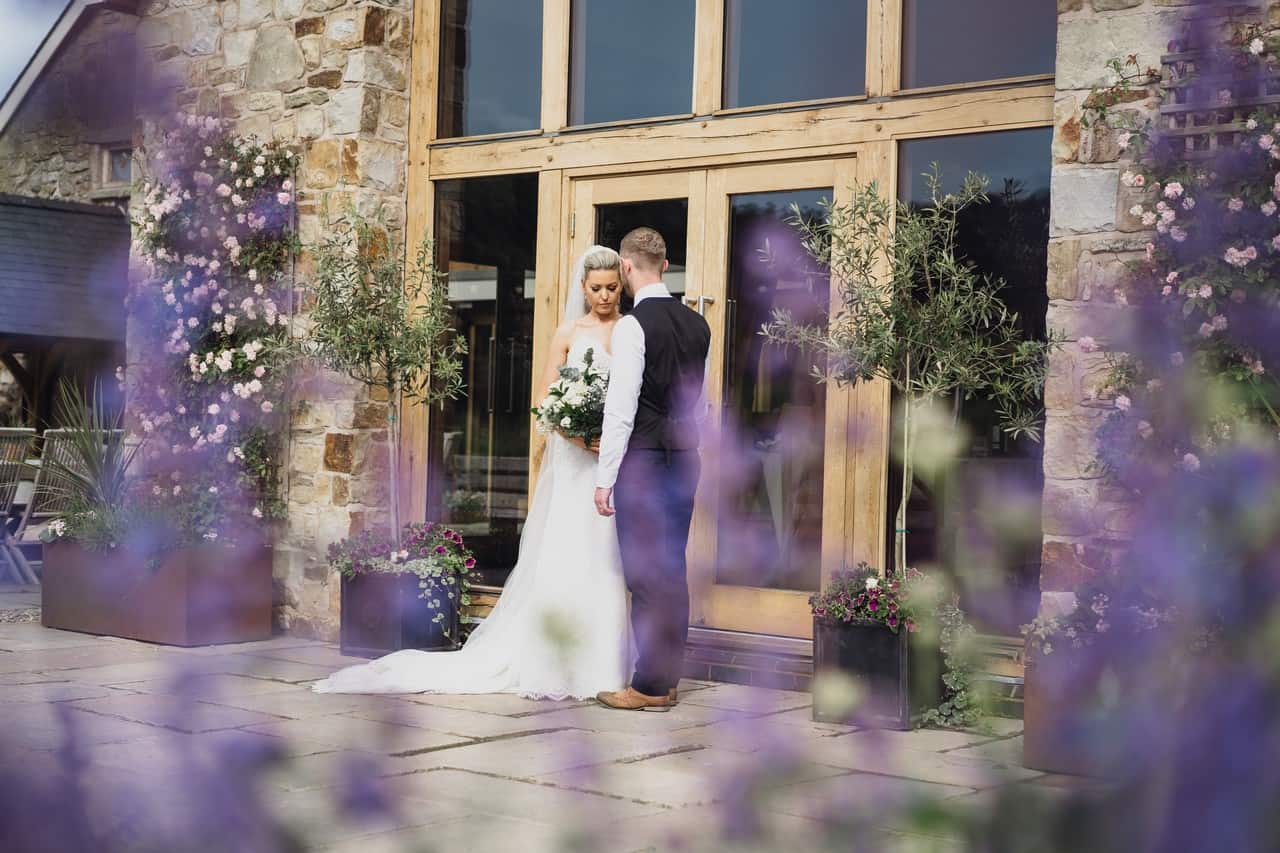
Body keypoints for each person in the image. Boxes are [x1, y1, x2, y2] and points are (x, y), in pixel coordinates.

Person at [313, 246, 632, 699]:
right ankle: (555, 663)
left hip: (608, 460)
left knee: (605, 558)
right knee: (568, 554)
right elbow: (544, 400)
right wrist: (578, 434)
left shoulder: (629, 331)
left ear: (622, 285)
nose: (604, 296)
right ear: (583, 288)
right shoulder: (568, 332)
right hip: (575, 460)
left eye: (612, 288)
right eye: (596, 288)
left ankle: (602, 666)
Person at [594, 227, 711, 712]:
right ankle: (667, 681)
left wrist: (605, 479)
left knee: (644, 576)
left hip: (644, 460)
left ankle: (647, 685)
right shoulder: (699, 324)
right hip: (686, 457)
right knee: (671, 570)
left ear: (626, 267)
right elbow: (695, 402)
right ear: (665, 266)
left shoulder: (632, 326)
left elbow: (620, 409)